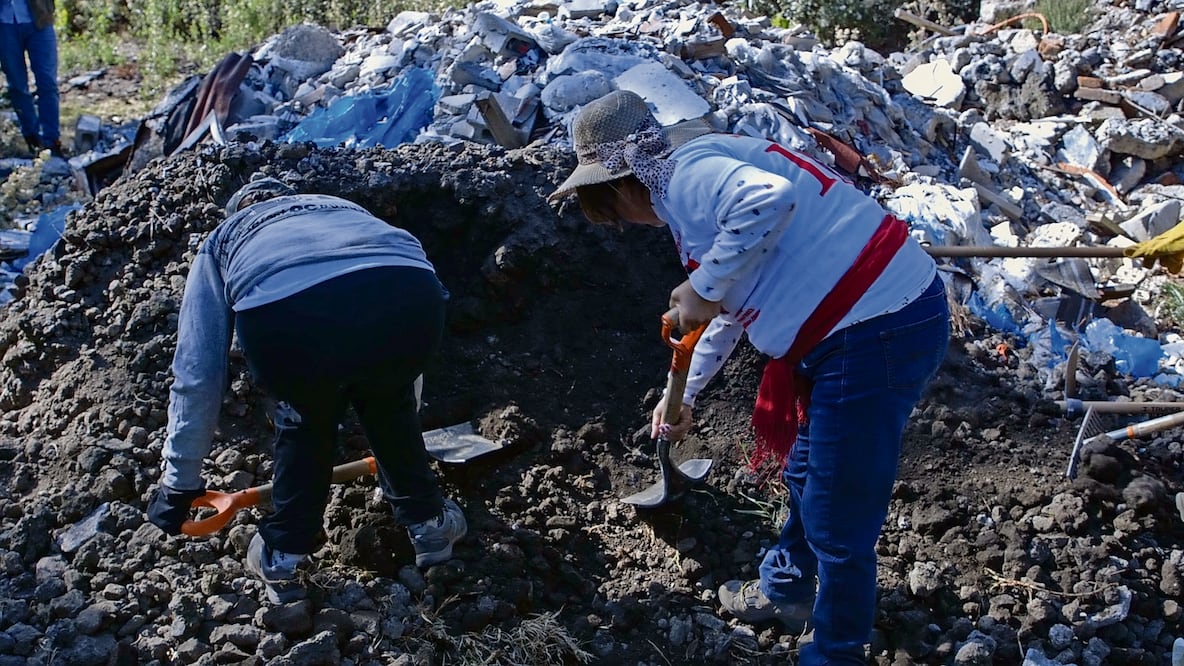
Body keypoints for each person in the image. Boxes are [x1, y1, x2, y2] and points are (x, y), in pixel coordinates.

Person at [549, 90, 949, 665]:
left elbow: (769, 199)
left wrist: (702, 286)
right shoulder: (689, 185)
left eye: (605, 205)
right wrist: (683, 393)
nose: (617, 223)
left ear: (620, 184)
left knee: (840, 511)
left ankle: (835, 653)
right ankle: (785, 585)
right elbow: (729, 310)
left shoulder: (691, 178)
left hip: (877, 328)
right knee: (809, 471)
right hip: (857, 331)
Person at [146, 177, 467, 603]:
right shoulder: (340, 205)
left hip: (293, 317)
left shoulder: (224, 239)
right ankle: (431, 528)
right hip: (411, 297)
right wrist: (401, 406)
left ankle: (282, 557)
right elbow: (402, 376)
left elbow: (197, 373)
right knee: (389, 398)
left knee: (306, 419)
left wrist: (178, 485)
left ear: (239, 211)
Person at [0, 0, 62, 156]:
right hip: (4, 24)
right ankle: (33, 139)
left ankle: (52, 140)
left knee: (48, 83)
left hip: (39, 18)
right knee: (17, 87)